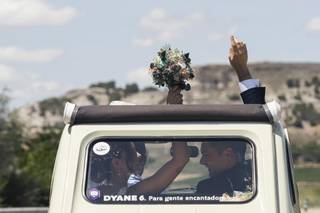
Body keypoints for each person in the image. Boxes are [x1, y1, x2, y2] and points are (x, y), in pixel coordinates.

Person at [195, 36, 266, 196]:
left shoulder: (211, 187)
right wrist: (242, 70)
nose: (202, 161)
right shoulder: (261, 171)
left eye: (206, 154)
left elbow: (260, 117)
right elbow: (260, 119)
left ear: (228, 154)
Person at [95, 141, 189, 195]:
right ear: (116, 163)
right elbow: (180, 160)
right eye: (135, 159)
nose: (140, 165)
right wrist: (174, 109)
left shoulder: (93, 191)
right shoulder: (131, 192)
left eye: (142, 160)